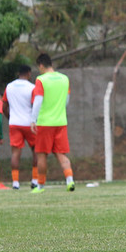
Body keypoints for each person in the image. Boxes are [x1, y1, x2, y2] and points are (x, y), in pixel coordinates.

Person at [30, 53, 75, 193]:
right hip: (61, 122)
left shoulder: (41, 80)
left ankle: (40, 186)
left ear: (41, 65)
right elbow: (66, 101)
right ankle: (70, 181)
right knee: (61, 154)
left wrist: (33, 119)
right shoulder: (64, 79)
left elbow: (38, 101)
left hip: (45, 123)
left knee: (41, 155)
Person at [2, 64, 39, 190]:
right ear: (28, 73)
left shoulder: (9, 87)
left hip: (14, 123)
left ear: (18, 73)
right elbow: (35, 106)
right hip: (29, 123)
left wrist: (10, 118)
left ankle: (15, 183)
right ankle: (34, 180)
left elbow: (4, 107)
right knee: (36, 151)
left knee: (15, 153)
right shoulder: (32, 87)